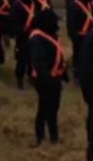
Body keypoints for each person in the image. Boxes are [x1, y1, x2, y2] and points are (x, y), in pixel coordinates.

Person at [28, 10, 67, 145]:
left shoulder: (50, 34)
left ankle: (54, 136)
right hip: (44, 80)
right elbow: (39, 62)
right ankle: (40, 137)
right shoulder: (37, 38)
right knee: (44, 108)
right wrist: (47, 79)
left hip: (54, 78)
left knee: (54, 108)